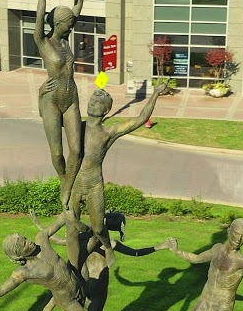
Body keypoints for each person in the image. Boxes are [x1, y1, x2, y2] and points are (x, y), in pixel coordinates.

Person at [22, 211, 175, 311]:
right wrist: (161, 246)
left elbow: (56, 239)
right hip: (97, 285)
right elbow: (136, 252)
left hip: (83, 282)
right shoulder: (109, 243)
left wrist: (39, 225)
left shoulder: (85, 237)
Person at [64, 86, 167, 266]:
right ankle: (73, 267)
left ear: (106, 110)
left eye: (97, 102)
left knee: (98, 228)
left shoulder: (108, 133)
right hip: (74, 185)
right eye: (92, 100)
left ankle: (107, 246)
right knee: (71, 229)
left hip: (94, 185)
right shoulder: (77, 127)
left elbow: (141, 119)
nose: (92, 103)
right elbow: (52, 117)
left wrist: (156, 94)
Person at [34, 0, 93, 208]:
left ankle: (69, 187)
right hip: (51, 100)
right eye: (68, 25)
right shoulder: (43, 42)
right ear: (58, 24)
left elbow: (78, 6)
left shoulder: (66, 38)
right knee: (58, 153)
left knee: (77, 150)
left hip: (71, 99)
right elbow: (39, 16)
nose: (71, 28)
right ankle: (63, 181)